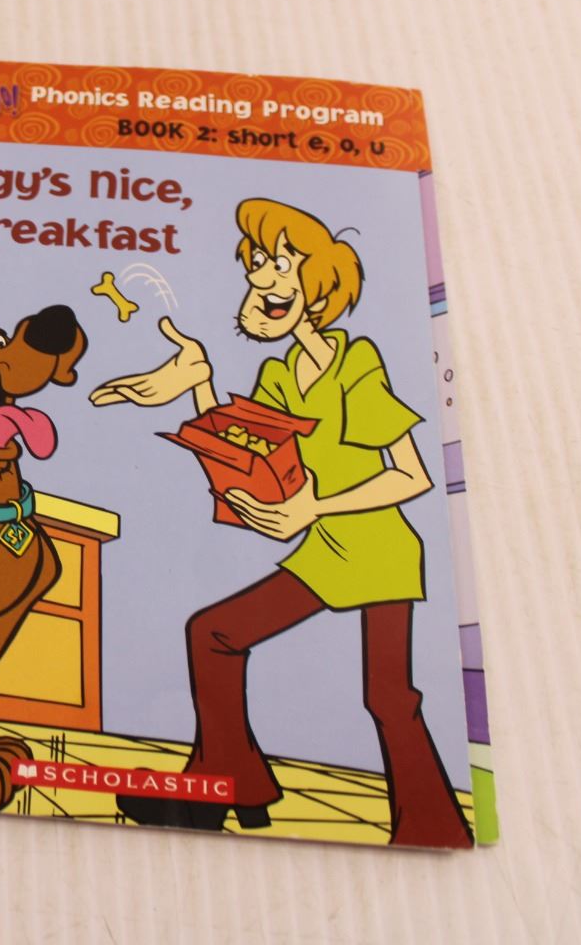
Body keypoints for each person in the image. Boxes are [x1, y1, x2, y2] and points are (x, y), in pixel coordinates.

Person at [90, 198, 471, 847]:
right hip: (327, 551)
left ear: (317, 284)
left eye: (278, 264)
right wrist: (198, 380)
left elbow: (411, 476)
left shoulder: (355, 362)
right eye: (256, 265)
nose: (260, 277)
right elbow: (248, 446)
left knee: (389, 697)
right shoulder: (279, 373)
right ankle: (229, 786)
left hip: (379, 548)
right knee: (213, 633)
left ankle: (430, 824)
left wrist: (313, 507)